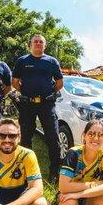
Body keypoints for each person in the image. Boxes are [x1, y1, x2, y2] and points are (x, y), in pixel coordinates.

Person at [12, 34, 63, 182]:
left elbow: (59, 82)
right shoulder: (22, 61)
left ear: (45, 45)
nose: (38, 44)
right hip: (27, 104)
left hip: (47, 104)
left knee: (53, 136)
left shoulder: (51, 61)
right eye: (36, 42)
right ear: (30, 45)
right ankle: (27, 166)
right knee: (26, 136)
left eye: (41, 42)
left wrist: (49, 91)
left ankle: (55, 169)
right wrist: (25, 92)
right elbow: (15, 81)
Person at [56, 120, 103, 205]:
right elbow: (63, 186)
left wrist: (79, 194)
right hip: (68, 195)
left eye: (100, 135)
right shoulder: (74, 153)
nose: (96, 138)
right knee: (69, 203)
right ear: (84, 135)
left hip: (88, 197)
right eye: (91, 133)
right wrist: (94, 184)